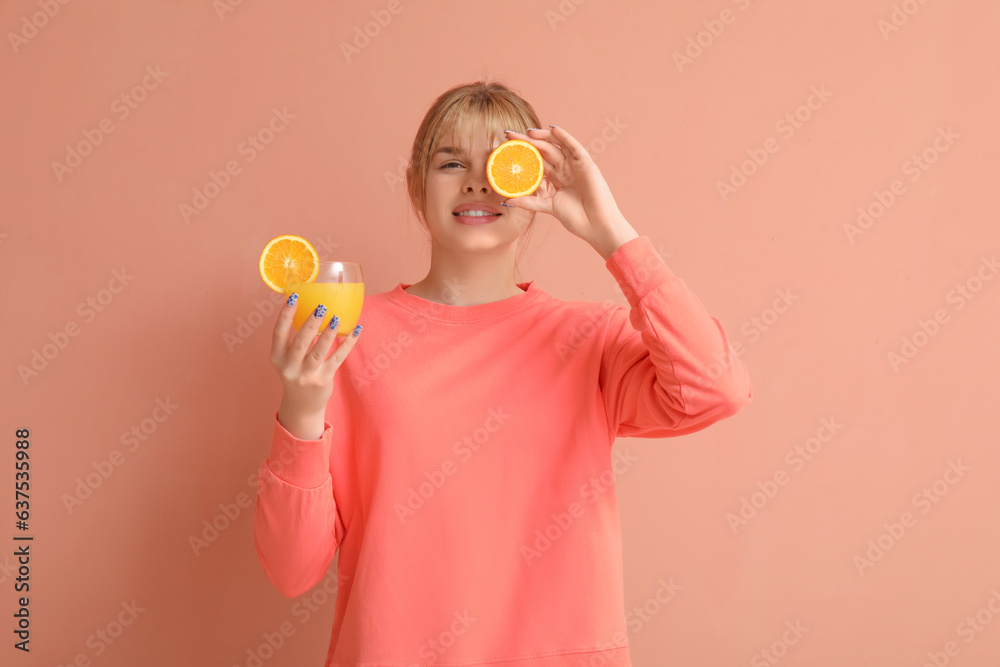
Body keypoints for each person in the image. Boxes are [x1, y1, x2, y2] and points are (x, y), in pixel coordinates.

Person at [254, 80, 752, 667]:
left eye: (502, 162)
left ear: (537, 182)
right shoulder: (347, 333)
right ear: (417, 186)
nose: (477, 180)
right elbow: (292, 570)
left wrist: (609, 229)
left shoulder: (590, 339)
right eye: (451, 161)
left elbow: (716, 388)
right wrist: (302, 408)